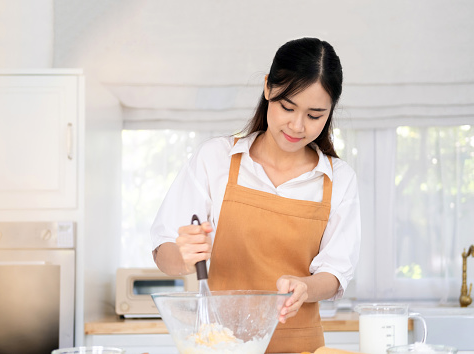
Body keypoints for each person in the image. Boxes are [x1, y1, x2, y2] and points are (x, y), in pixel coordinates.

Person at [150, 37, 361, 353]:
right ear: (267, 88)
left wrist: (306, 286)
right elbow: (163, 250)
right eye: (287, 107)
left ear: (330, 110)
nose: (297, 125)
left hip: (301, 347)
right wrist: (184, 255)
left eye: (315, 115)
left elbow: (335, 274)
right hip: (219, 344)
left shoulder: (339, 179)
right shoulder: (215, 159)